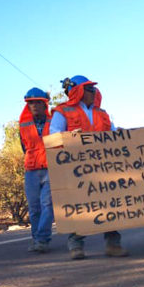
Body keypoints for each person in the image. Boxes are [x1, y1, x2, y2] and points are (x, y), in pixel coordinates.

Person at [50, 75, 128, 260]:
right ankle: (76, 244)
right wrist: (69, 136)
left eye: (94, 89)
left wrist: (123, 135)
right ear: (78, 90)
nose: (94, 92)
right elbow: (53, 136)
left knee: (110, 203)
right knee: (81, 205)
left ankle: (113, 244)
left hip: (103, 167)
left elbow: (112, 132)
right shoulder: (63, 112)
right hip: (77, 169)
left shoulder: (102, 113)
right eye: (89, 89)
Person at [19, 87, 54, 253]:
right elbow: (24, 147)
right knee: (34, 207)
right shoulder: (24, 124)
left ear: (44, 104)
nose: (33, 106)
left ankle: (42, 239)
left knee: (47, 204)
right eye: (30, 103)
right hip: (31, 170)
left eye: (37, 103)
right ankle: (36, 238)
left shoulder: (53, 121)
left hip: (50, 169)